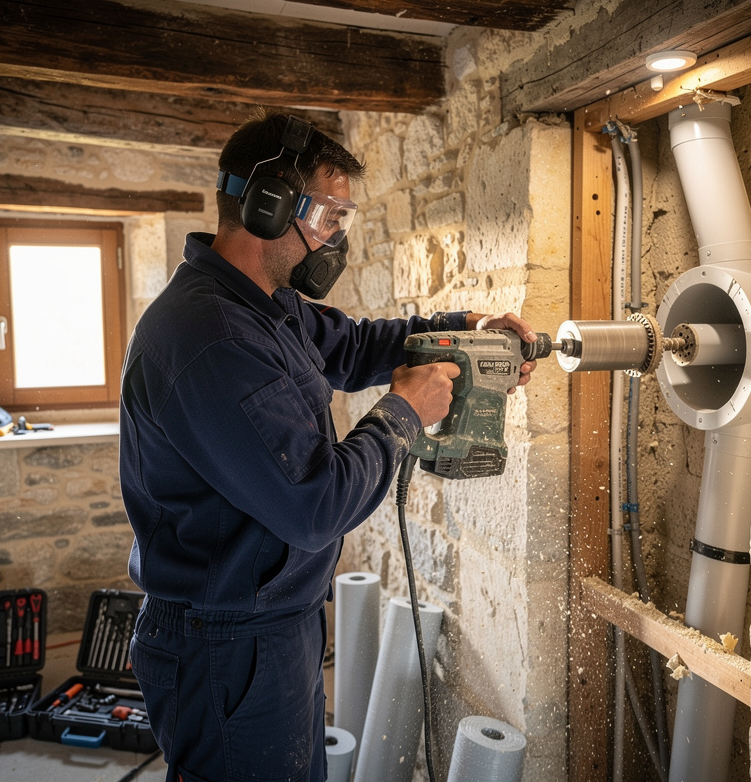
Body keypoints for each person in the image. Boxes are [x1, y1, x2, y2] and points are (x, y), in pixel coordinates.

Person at [120, 112, 539, 782]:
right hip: (226, 643)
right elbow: (314, 505)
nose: (339, 234)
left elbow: (357, 345)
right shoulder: (211, 338)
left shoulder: (264, 304)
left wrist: (464, 329)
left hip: (268, 626)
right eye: (332, 213)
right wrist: (405, 413)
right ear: (269, 205)